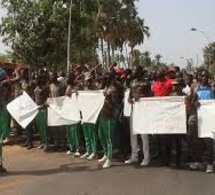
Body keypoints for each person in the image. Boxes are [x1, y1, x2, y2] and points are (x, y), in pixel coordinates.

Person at [124, 66, 151, 166]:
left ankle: (146, 157)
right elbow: (130, 95)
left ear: (141, 72)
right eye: (134, 70)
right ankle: (134, 156)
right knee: (133, 134)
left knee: (144, 134)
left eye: (137, 71)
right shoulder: (132, 82)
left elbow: (150, 95)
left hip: (143, 111)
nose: (135, 72)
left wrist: (142, 96)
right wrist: (130, 99)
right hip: (134, 110)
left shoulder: (146, 82)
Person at [189, 70, 214, 173]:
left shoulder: (212, 89)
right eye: (201, 76)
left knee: (209, 141)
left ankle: (209, 164)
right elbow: (191, 101)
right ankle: (198, 162)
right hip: (199, 117)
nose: (204, 78)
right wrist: (195, 103)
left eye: (205, 76)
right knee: (198, 141)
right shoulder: (195, 89)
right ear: (198, 77)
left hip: (210, 118)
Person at [65, 77, 80, 157]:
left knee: (75, 132)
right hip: (69, 113)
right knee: (69, 132)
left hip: (75, 113)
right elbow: (66, 96)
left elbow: (76, 97)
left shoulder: (75, 89)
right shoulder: (67, 88)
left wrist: (73, 91)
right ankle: (72, 147)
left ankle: (78, 148)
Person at [34, 76, 49, 151]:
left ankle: (46, 144)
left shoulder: (44, 89)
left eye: (36, 79)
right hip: (37, 109)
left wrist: (42, 105)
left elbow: (47, 99)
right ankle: (42, 142)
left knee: (44, 128)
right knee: (39, 127)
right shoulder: (36, 88)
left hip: (43, 109)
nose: (35, 80)